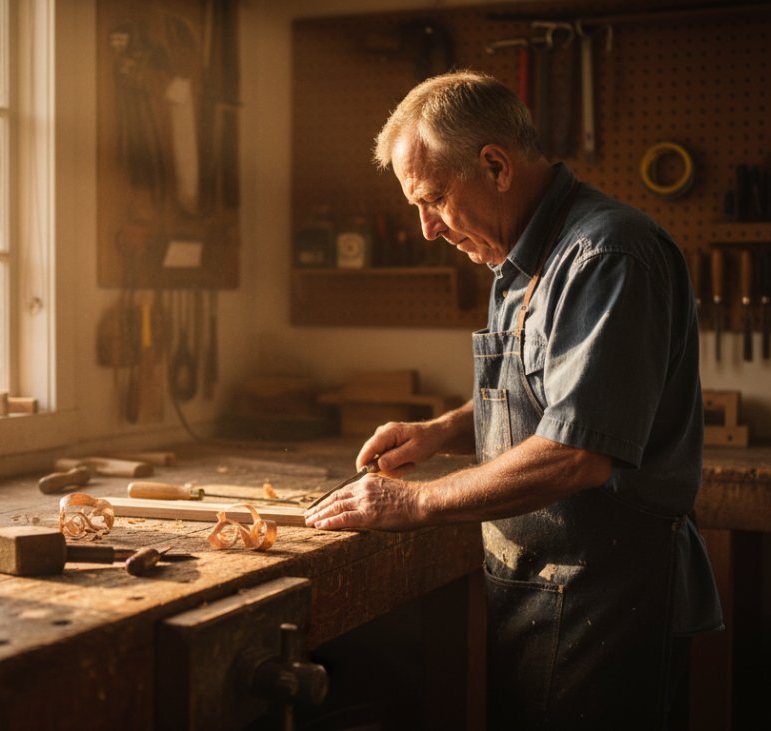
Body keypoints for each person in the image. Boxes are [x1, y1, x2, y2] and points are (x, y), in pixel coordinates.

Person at [303, 70, 723, 729]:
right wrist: (443, 430)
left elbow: (577, 452)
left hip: (606, 597)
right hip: (540, 586)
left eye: (434, 198)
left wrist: (414, 501)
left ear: (495, 165)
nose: (427, 229)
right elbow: (553, 396)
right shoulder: (520, 256)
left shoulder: (605, 256)